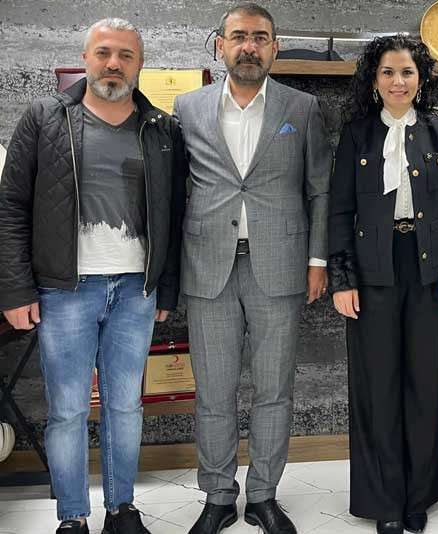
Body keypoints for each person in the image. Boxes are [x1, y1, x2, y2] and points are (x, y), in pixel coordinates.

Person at [0, 18, 186, 534]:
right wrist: (14, 289)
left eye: (126, 55)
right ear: (85, 58)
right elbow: (11, 206)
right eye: (103, 52)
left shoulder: (161, 129)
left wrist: (165, 289)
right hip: (65, 290)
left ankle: (122, 510)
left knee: (125, 406)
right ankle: (73, 518)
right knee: (67, 411)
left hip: (135, 290)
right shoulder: (45, 118)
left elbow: (173, 214)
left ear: (139, 64)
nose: (113, 64)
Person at [173, 3, 331, 533]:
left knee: (274, 390)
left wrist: (317, 260)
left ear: (275, 47)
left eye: (260, 38)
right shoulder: (187, 107)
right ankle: (218, 496)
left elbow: (319, 188)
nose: (249, 47)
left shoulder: (302, 107)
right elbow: (175, 189)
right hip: (207, 267)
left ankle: (264, 495)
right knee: (213, 393)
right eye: (239, 36)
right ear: (220, 44)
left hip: (280, 267)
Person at [327, 35, 438, 534]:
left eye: (407, 72)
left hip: (427, 269)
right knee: (377, 385)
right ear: (374, 80)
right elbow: (340, 210)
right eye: (388, 72)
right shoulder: (357, 134)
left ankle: (418, 496)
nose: (398, 81)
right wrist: (342, 278)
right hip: (372, 271)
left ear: (421, 79)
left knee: (424, 383)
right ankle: (384, 499)